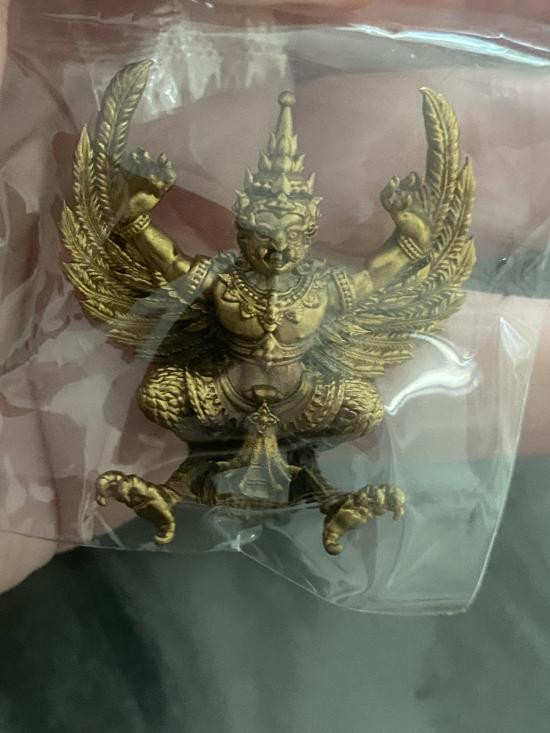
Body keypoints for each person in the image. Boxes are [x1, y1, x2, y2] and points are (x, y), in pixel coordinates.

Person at [0, 0, 549, 593]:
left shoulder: (323, 285)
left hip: (303, 392)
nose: (278, 246)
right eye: (264, 234)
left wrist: (409, 234)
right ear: (242, 230)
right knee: (159, 397)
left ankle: (320, 492)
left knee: (362, 409)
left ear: (309, 231)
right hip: (221, 387)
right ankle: (181, 486)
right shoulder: (221, 279)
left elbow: (378, 278)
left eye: (291, 234)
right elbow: (165, 262)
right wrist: (133, 217)